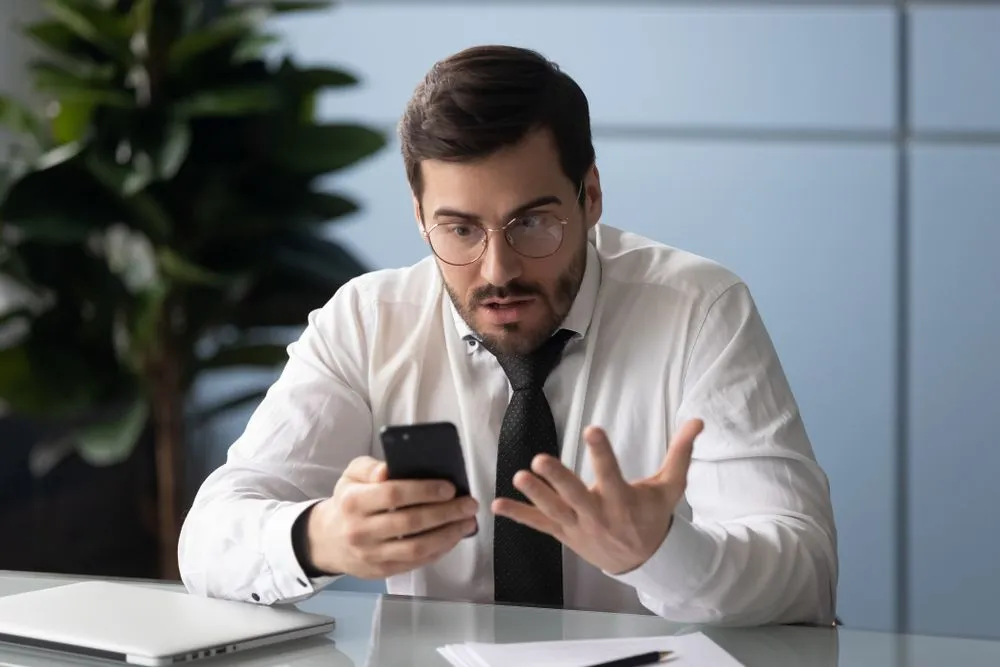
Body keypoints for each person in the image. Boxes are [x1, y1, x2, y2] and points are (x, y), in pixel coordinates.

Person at [178, 44, 838, 626]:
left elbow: (805, 569)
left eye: (533, 223)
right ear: (419, 217)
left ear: (591, 196)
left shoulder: (699, 310)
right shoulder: (366, 320)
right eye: (460, 229)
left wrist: (661, 551)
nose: (499, 270)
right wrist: (319, 536)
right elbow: (207, 538)